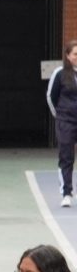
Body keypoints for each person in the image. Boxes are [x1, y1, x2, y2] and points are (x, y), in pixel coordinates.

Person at [50, 39, 77, 208]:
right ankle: (67, 192)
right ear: (68, 56)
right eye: (75, 54)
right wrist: (60, 116)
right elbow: (51, 97)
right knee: (67, 157)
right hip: (66, 121)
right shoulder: (59, 74)